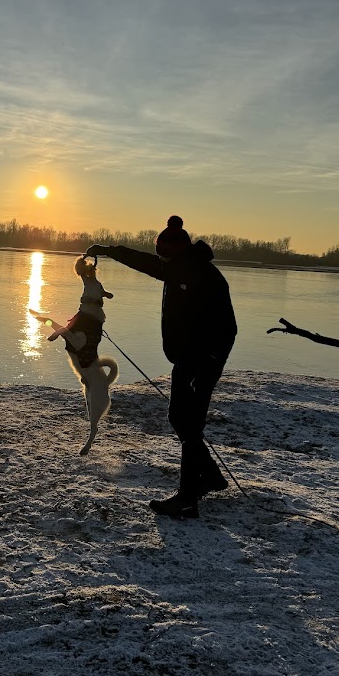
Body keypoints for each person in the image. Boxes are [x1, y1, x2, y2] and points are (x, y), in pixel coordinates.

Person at [87, 215, 237, 519]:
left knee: (190, 424)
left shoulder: (202, 276)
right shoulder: (178, 268)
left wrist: (209, 363)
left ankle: (187, 498)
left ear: (175, 253)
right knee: (179, 418)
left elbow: (227, 329)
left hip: (202, 362)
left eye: (163, 255)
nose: (159, 261)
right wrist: (110, 249)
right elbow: (145, 262)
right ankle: (209, 477)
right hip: (187, 360)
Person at [47, 255, 114, 369]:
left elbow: (105, 293)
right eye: (90, 271)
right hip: (89, 314)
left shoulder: (97, 284)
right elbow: (80, 271)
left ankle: (62, 335)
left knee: (85, 337)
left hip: (92, 314)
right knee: (80, 334)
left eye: (92, 271)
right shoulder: (87, 281)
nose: (91, 273)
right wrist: (82, 260)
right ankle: (61, 334)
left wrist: (107, 294)